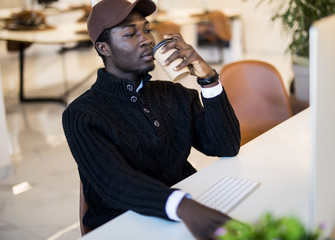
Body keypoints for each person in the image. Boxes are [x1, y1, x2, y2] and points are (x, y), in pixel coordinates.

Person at [62, 0, 241, 239]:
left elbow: (226, 145)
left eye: (146, 29)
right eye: (130, 33)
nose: (147, 39)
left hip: (184, 209)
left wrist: (208, 78)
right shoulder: (81, 114)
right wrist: (181, 205)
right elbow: (115, 184)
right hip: (125, 224)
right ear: (104, 48)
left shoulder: (174, 94)